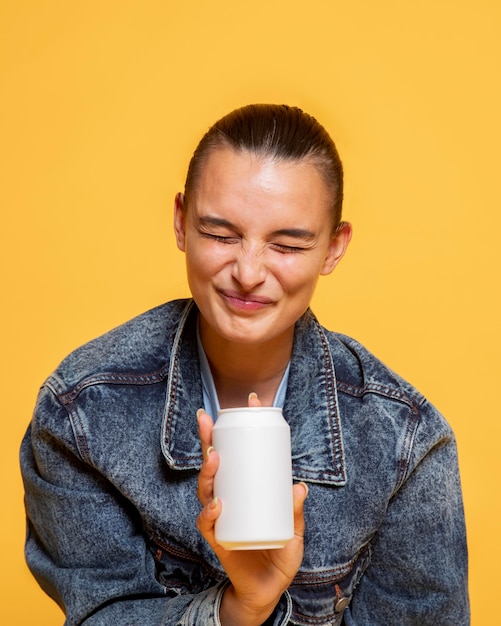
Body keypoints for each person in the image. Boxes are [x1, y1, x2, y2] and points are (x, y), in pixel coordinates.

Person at [21, 104, 469, 626]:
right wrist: (240, 608)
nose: (249, 272)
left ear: (333, 248)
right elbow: (100, 614)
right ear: (181, 223)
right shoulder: (81, 412)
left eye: (287, 244)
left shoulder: (406, 442)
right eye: (221, 235)